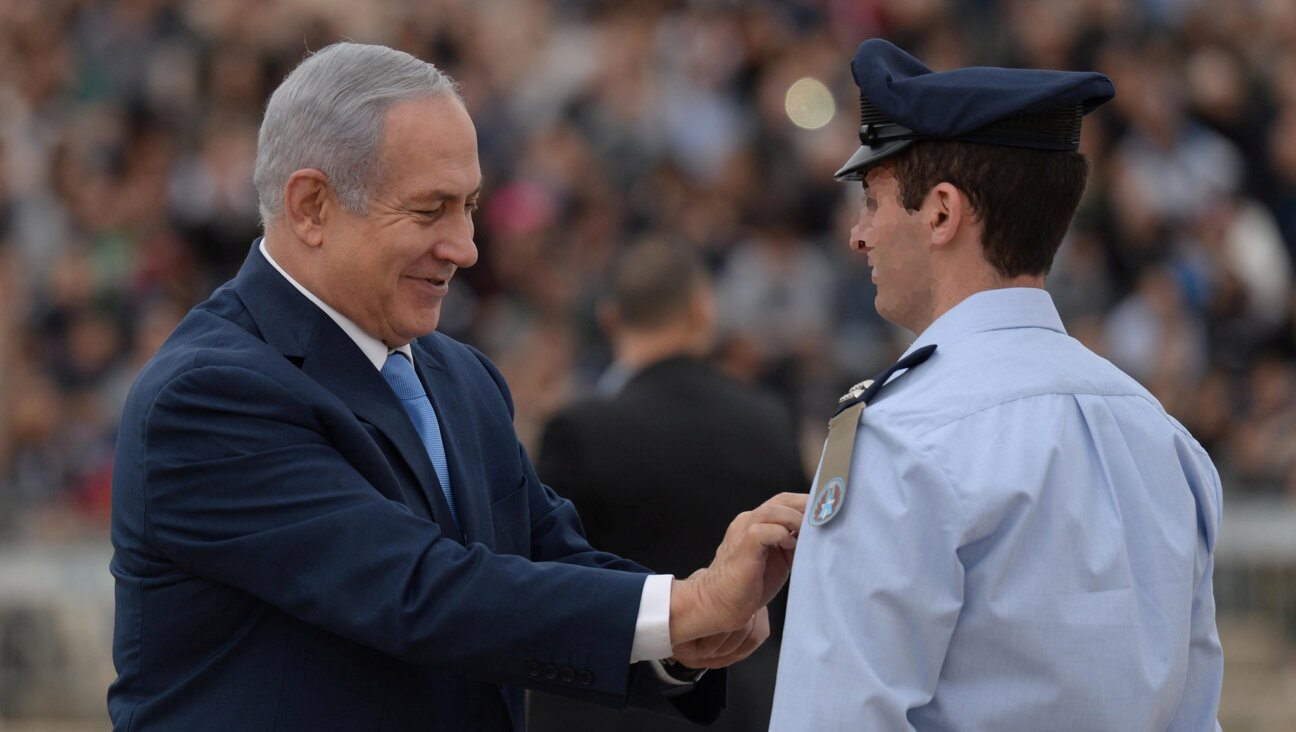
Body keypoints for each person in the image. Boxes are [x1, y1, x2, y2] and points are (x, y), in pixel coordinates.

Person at [107, 42, 806, 732]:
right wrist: (683, 608)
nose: (466, 246)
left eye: (469, 205)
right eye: (430, 209)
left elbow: (545, 559)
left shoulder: (460, 376)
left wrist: (683, 637)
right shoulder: (206, 396)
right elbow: (417, 590)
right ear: (312, 206)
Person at [770, 39, 1223, 731]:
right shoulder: (1163, 439)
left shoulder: (898, 439)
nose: (859, 234)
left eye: (874, 199)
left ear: (943, 213)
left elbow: (833, 716)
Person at [527, 238, 806, 731]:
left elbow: (541, 577)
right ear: (703, 313)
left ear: (610, 318)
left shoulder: (580, 429)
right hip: (742, 705)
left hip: (613, 708)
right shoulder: (769, 420)